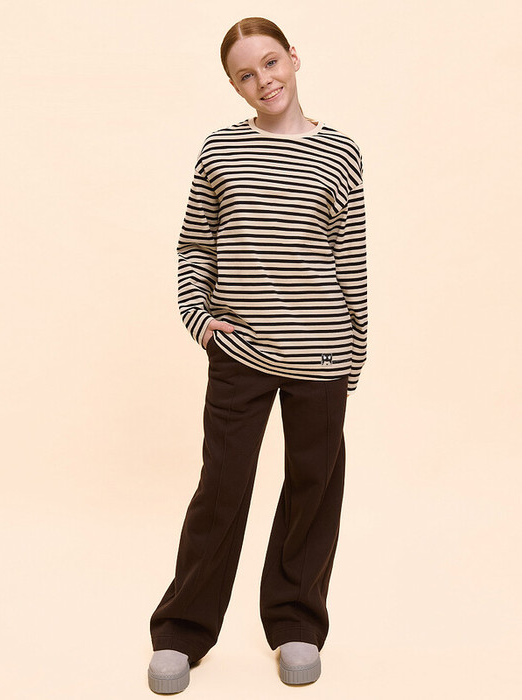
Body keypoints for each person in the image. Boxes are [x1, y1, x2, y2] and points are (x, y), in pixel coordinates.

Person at [147, 16, 367, 694]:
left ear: (293, 59)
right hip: (239, 352)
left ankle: (296, 623)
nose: (263, 80)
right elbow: (195, 244)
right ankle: (183, 630)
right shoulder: (220, 150)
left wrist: (355, 351)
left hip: (322, 356)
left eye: (270, 62)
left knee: (313, 489)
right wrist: (198, 317)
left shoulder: (341, 153)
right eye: (246, 74)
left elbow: (350, 258)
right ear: (234, 85)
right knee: (222, 488)